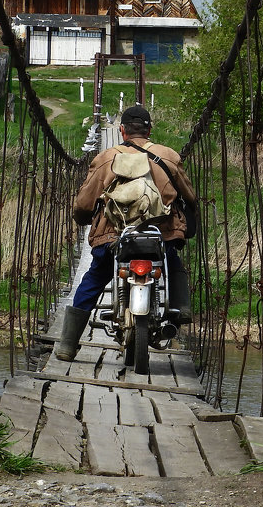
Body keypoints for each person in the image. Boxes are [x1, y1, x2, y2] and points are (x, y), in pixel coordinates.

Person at [56, 105, 197, 362]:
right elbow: (190, 196)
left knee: (95, 277)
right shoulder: (168, 155)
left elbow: (85, 203)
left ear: (122, 131)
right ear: (149, 130)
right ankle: (182, 308)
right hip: (159, 235)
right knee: (173, 263)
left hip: (114, 238)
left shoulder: (106, 157)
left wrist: (83, 218)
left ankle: (67, 344)